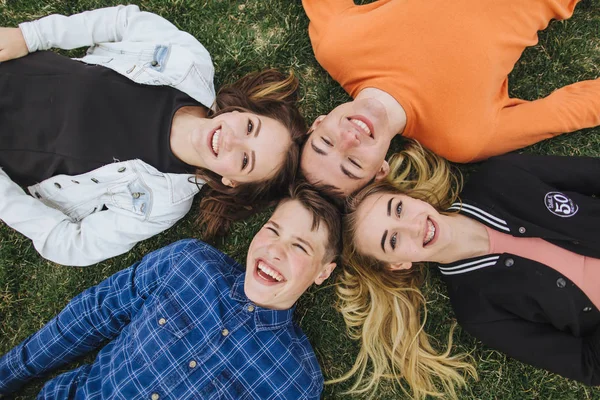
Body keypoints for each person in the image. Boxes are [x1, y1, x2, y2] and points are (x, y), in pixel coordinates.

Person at [0, 5, 306, 266]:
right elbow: (122, 21)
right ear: (243, 111)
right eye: (250, 128)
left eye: (243, 160)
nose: (232, 140)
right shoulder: (189, 64)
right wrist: (29, 36)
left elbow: (71, 244)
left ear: (232, 182)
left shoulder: (162, 203)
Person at [0, 182, 342, 399]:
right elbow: (95, 313)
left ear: (323, 273)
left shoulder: (293, 382)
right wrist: (8, 375)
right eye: (273, 230)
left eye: (300, 247)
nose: (275, 251)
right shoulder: (189, 264)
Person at [343, 139, 600, 398]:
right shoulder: (478, 312)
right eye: (393, 240)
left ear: (406, 196)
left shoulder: (500, 176)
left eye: (398, 209)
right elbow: (590, 366)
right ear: (397, 264)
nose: (413, 227)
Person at [300, 0, 600, 195]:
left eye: (326, 142)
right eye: (352, 163)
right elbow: (567, 111)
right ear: (381, 169)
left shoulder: (336, 46)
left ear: (319, 122)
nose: (349, 140)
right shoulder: (463, 139)